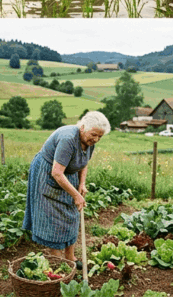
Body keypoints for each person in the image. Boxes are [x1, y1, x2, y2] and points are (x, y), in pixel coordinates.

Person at [22, 111, 110, 265]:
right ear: (82, 127)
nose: (96, 139)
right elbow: (56, 173)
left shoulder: (89, 142)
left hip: (67, 173)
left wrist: (81, 184)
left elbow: (83, 162)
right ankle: (58, 261)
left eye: (100, 137)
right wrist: (76, 195)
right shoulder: (68, 139)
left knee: (72, 215)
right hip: (48, 173)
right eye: (94, 135)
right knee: (53, 219)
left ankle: (70, 258)